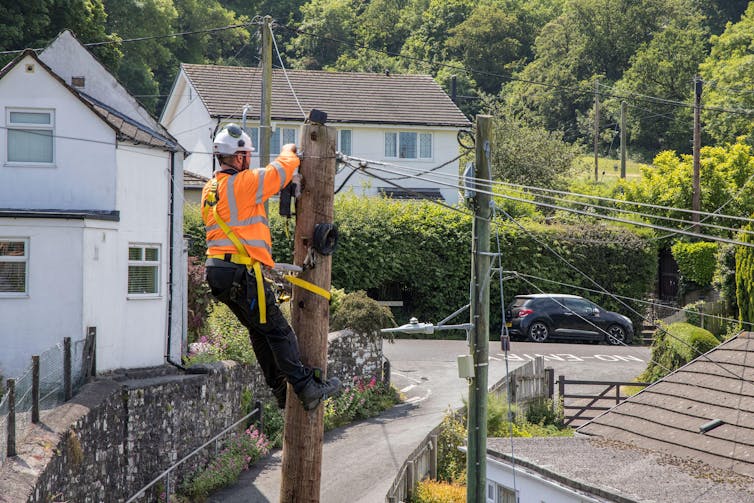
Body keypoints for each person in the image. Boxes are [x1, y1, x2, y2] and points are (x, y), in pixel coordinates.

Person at [201, 123, 340, 410]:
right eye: (247, 155)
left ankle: (279, 388)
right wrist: (291, 149)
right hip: (240, 272)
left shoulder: (210, 188)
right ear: (238, 157)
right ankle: (305, 387)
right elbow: (281, 170)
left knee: (260, 330)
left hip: (218, 271)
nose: (249, 159)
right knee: (278, 329)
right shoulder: (243, 183)